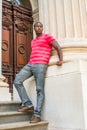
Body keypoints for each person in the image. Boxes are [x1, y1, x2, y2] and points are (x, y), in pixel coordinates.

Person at [14, 21, 63, 123]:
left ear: (42, 28)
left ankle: (37, 115)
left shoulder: (47, 37)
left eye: (41, 26)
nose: (39, 28)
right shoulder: (33, 41)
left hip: (41, 65)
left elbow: (58, 47)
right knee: (17, 80)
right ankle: (27, 104)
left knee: (39, 90)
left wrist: (61, 59)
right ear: (34, 28)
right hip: (31, 64)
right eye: (37, 26)